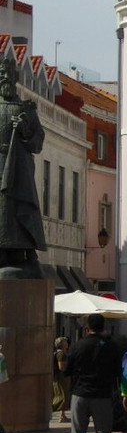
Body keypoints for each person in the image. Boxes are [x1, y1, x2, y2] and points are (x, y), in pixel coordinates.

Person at [64, 314, 123, 433]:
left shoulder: (77, 346)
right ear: (103, 327)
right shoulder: (111, 347)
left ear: (87, 328)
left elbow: (67, 371)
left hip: (80, 395)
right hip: (102, 396)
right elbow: (118, 371)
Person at [0, 57, 47, 276]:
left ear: (15, 77)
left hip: (18, 168)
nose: (4, 77)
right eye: (1, 73)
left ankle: (22, 251)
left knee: (17, 208)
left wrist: (25, 129)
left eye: (8, 73)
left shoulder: (25, 108)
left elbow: (38, 142)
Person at [54, 336, 71, 423]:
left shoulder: (60, 353)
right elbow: (61, 367)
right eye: (65, 342)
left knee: (62, 395)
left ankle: (63, 415)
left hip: (60, 377)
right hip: (62, 378)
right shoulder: (61, 354)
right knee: (63, 396)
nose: (67, 343)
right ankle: (61, 416)